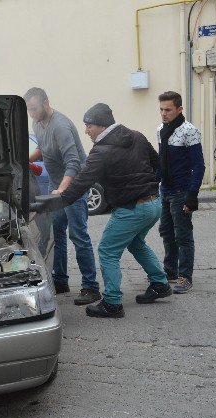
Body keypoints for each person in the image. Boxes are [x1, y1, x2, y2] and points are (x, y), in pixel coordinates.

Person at [34, 103, 172, 318]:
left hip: (132, 208)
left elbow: (82, 182)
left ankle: (112, 302)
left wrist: (59, 199)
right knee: (136, 243)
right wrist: (149, 186)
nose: (86, 131)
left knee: (108, 250)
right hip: (154, 203)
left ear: (101, 125)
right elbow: (157, 163)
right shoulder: (137, 136)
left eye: (89, 126)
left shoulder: (101, 151)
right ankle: (160, 283)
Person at [24, 87, 101, 305]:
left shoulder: (61, 126)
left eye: (33, 108)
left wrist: (63, 189)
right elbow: (44, 148)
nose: (31, 113)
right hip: (58, 185)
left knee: (78, 235)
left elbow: (73, 162)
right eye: (29, 110)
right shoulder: (37, 123)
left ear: (46, 103)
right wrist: (27, 159)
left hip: (74, 186)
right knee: (56, 232)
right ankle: (60, 280)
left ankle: (91, 287)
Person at [157, 91, 205, 294]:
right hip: (165, 190)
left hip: (181, 191)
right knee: (166, 232)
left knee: (183, 235)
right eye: (161, 109)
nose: (164, 113)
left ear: (179, 109)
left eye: (168, 109)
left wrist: (192, 195)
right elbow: (161, 162)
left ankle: (185, 277)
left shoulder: (189, 131)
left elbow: (199, 165)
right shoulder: (160, 129)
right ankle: (170, 271)